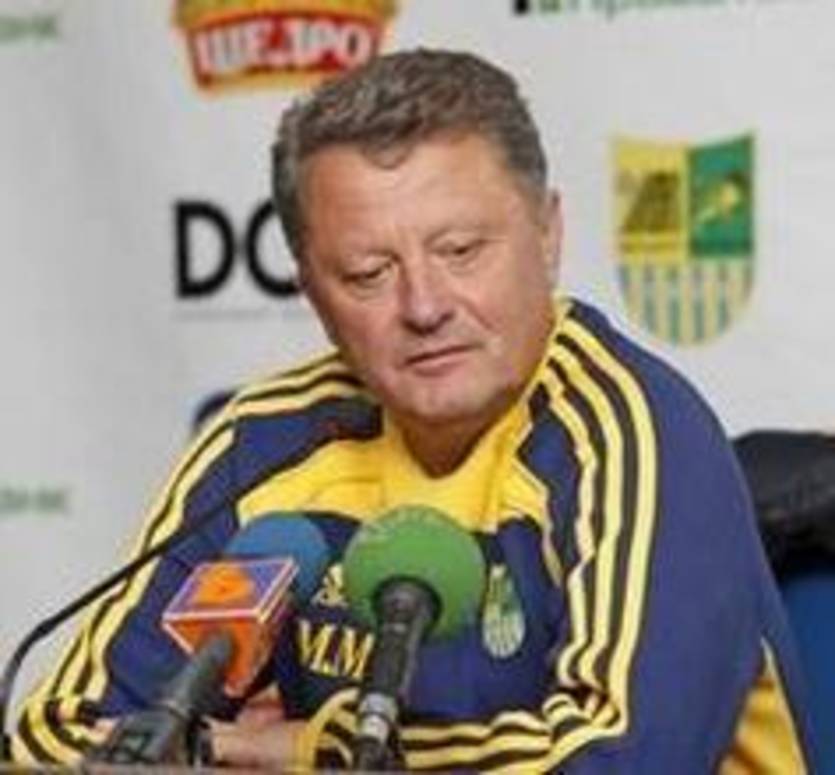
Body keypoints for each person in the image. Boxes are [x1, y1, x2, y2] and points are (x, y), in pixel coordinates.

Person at [12, 48, 815, 772]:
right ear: (310, 291)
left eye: (461, 251)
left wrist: (316, 749)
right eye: (367, 273)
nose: (424, 306)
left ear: (547, 234)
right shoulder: (265, 446)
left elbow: (623, 756)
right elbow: (55, 738)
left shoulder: (628, 429)